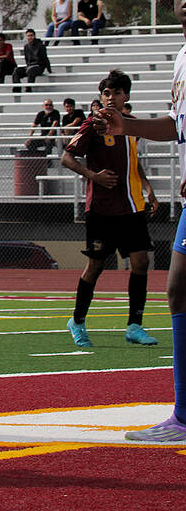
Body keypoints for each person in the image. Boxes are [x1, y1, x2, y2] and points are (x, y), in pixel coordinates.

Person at [102, 0, 186, 441]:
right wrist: (126, 127)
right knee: (178, 289)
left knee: (179, 288)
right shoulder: (180, 57)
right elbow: (178, 126)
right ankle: (183, 414)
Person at [61, 70, 159, 348]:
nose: (111, 98)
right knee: (95, 266)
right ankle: (77, 321)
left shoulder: (131, 125)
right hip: (102, 209)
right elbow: (66, 157)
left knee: (141, 262)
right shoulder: (94, 124)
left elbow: (133, 160)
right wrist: (93, 176)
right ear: (101, 96)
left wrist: (148, 188)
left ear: (126, 96)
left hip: (132, 207)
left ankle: (135, 325)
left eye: (117, 93)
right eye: (107, 93)